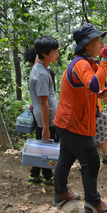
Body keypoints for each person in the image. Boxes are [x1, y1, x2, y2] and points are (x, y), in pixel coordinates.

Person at [53, 23, 107, 213]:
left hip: (68, 122)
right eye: (98, 40)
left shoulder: (86, 62)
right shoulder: (81, 63)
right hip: (73, 124)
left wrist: (101, 92)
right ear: (87, 44)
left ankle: (61, 193)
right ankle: (93, 203)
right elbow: (94, 83)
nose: (101, 43)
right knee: (92, 161)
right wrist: (105, 60)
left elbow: (88, 88)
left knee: (66, 157)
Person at [28, 36, 60, 186]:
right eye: (54, 52)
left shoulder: (40, 68)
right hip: (47, 119)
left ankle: (36, 175)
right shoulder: (41, 74)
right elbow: (43, 102)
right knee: (48, 147)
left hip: (46, 118)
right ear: (45, 54)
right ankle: (47, 177)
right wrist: (46, 128)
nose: (57, 55)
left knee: (44, 145)